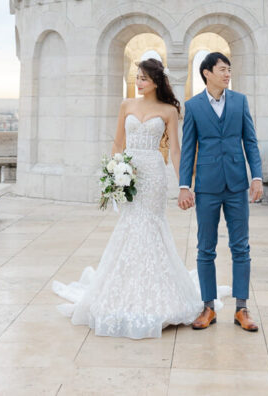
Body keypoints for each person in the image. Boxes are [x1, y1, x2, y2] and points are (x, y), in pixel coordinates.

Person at [53, 58, 220, 338]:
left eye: (143, 78)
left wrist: (184, 185)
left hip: (153, 175)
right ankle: (124, 292)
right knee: (130, 226)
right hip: (128, 172)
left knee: (151, 226)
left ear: (155, 81)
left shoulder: (168, 110)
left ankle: (157, 295)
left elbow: (175, 151)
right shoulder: (126, 105)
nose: (138, 82)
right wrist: (113, 174)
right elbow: (118, 143)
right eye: (137, 77)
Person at [178, 51, 263, 332]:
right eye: (223, 69)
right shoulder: (193, 106)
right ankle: (208, 307)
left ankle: (242, 308)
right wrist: (184, 186)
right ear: (207, 73)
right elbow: (188, 149)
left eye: (229, 69)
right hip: (207, 186)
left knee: (241, 247)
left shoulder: (240, 101)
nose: (228, 74)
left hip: (237, 184)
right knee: (205, 248)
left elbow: (250, 141)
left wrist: (256, 177)